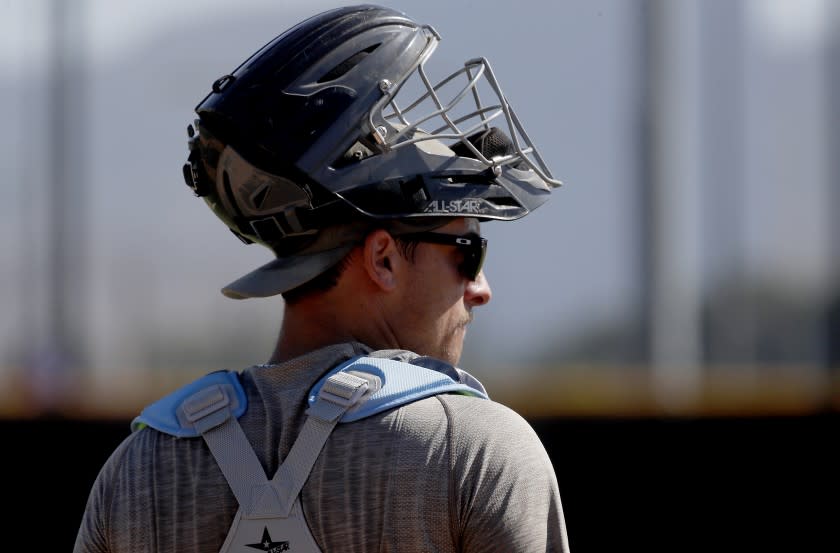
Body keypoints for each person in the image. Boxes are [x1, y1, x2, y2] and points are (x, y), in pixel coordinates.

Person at [74, 4, 570, 552]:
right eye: (467, 251)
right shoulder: (474, 448)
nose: (480, 288)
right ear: (382, 258)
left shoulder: (139, 469)